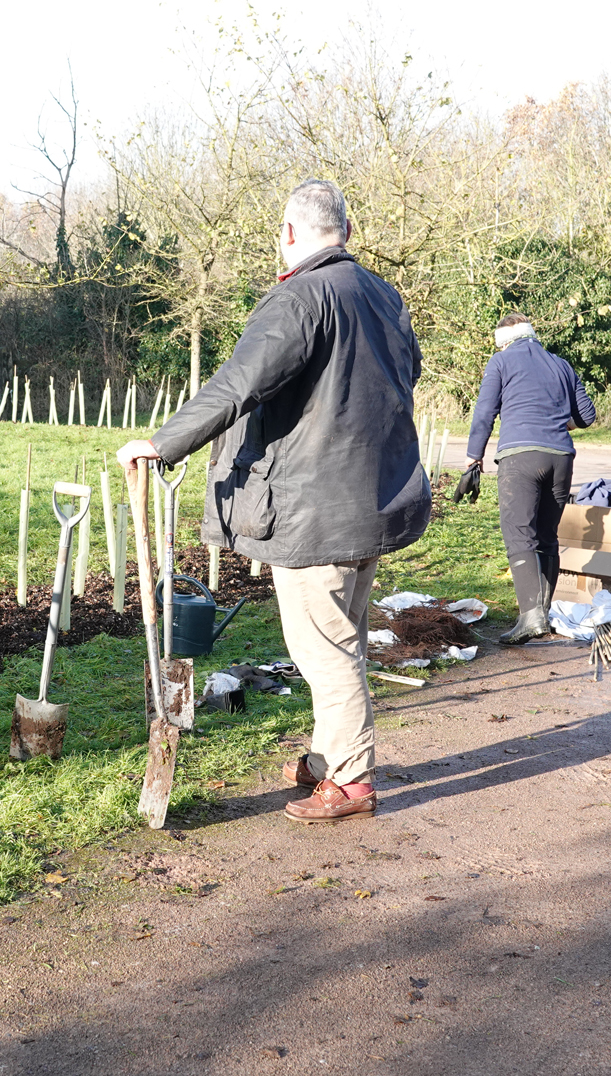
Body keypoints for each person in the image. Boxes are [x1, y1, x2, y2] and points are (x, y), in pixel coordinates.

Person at [115, 179, 429, 824]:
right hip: (373, 498)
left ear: (288, 234)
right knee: (342, 637)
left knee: (325, 649)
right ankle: (328, 755)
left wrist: (162, 443)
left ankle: (350, 782)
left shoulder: (301, 297)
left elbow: (239, 383)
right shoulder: (381, 295)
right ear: (345, 229)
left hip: (317, 510)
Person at [461, 313, 596, 646]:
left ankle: (531, 617)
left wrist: (473, 456)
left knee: (519, 535)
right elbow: (587, 416)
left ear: (504, 341)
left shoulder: (501, 361)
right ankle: (542, 614)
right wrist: (559, 426)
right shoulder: (561, 364)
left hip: (520, 457)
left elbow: (485, 411)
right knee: (547, 536)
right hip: (561, 459)